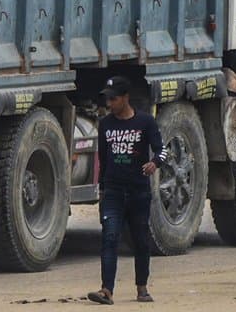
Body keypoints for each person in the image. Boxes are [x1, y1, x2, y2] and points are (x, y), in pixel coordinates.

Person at [87, 75, 165, 305]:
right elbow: (103, 157)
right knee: (109, 238)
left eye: (114, 99)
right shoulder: (106, 125)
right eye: (107, 99)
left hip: (138, 192)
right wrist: (102, 189)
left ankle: (142, 288)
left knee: (140, 240)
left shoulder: (145, 122)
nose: (110, 104)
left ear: (126, 98)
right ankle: (106, 290)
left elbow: (162, 150)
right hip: (113, 191)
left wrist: (155, 164)